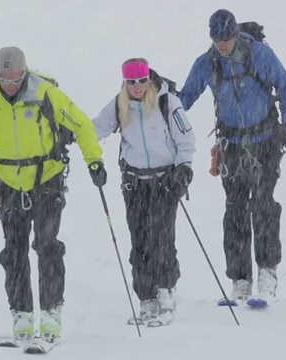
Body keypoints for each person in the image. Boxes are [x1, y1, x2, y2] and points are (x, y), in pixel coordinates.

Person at [0, 46, 107, 342]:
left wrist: (94, 160)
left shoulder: (46, 94)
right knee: (14, 250)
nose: (9, 84)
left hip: (46, 178)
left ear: (25, 72)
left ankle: (50, 313)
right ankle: (21, 314)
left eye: (15, 77)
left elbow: (82, 124)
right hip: (7, 183)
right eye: (3, 77)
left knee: (47, 246)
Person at [178, 9, 286, 302]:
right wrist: (163, 103)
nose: (222, 44)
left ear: (235, 34)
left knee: (264, 204)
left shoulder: (260, 54)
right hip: (231, 145)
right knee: (235, 211)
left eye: (226, 38)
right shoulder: (206, 63)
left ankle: (267, 273)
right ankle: (240, 279)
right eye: (217, 39)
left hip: (265, 141)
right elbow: (185, 98)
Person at [93, 58, 196, 326]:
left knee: (162, 239)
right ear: (124, 82)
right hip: (134, 182)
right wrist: (70, 134)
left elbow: (186, 139)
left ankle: (166, 294)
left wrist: (184, 168)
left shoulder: (167, 102)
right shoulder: (119, 104)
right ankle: (146, 297)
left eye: (140, 81)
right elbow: (96, 127)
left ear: (149, 79)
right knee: (139, 240)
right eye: (130, 82)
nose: (136, 87)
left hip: (164, 181)